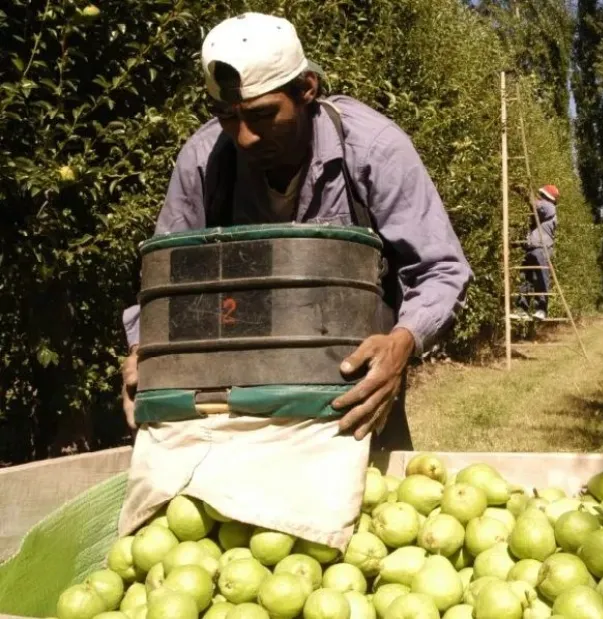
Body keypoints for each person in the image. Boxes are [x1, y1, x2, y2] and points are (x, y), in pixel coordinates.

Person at [115, 12, 472, 548]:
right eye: (227, 117)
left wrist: (402, 343)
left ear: (306, 88)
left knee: (365, 538)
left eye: (261, 115)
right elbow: (169, 282)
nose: (244, 135)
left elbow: (441, 268)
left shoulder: (371, 150)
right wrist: (148, 349)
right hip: (234, 406)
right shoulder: (206, 159)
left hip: (349, 398)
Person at [512, 184, 558, 321]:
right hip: (531, 248)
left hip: (541, 248)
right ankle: (522, 309)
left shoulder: (549, 207)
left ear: (547, 197)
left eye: (542, 196)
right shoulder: (540, 214)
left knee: (541, 278)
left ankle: (541, 309)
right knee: (525, 279)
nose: (540, 198)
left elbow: (535, 204)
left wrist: (524, 192)